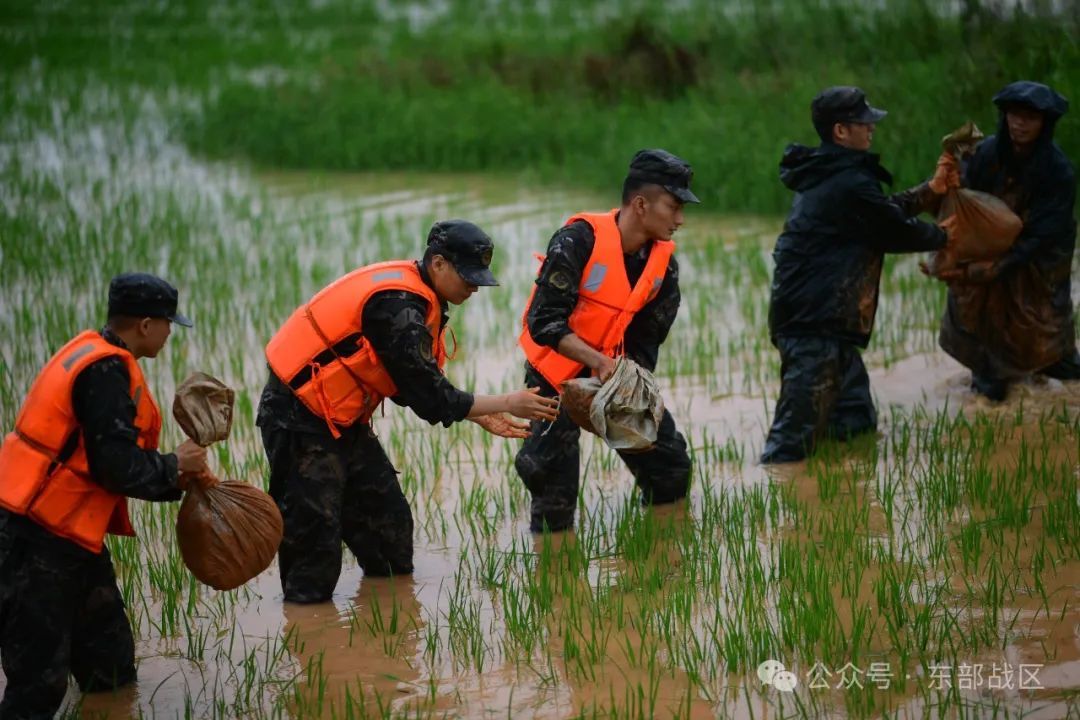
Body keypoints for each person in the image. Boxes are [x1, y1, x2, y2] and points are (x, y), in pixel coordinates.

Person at [257, 220, 559, 604]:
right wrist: (505, 402)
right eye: (468, 277)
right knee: (314, 543)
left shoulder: (417, 298)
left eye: (479, 279)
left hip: (343, 418)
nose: (474, 288)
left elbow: (408, 380)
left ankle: (386, 631)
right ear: (438, 264)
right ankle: (311, 639)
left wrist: (476, 413)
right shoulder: (397, 306)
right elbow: (430, 400)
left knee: (389, 533)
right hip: (298, 418)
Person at [0, 273, 209, 719]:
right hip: (33, 542)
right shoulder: (105, 371)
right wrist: (175, 466)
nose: (171, 333)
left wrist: (179, 481)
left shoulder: (98, 353)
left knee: (110, 666)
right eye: (169, 324)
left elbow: (108, 466)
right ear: (146, 325)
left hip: (71, 540)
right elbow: (114, 468)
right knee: (37, 686)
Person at [760, 86, 949, 464]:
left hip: (828, 328)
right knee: (791, 445)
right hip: (812, 328)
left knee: (855, 425)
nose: (871, 129)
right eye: (863, 123)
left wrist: (929, 192)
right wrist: (947, 237)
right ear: (840, 132)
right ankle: (776, 506)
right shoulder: (847, 181)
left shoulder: (832, 174)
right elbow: (890, 229)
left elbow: (877, 213)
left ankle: (845, 503)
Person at [515, 149, 696, 533]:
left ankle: (661, 551)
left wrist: (625, 386)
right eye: (673, 206)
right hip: (553, 378)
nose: (680, 219)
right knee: (552, 496)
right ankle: (556, 573)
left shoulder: (664, 268)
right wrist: (594, 360)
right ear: (641, 204)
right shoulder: (577, 241)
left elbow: (648, 341)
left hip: (614, 378)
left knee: (671, 470)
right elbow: (543, 322)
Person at [934, 81, 1078, 401]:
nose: (1019, 124)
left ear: (1045, 123)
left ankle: (1056, 360)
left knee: (1043, 319)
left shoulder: (1058, 171)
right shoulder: (986, 154)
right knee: (982, 312)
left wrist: (1003, 263)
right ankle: (989, 372)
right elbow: (965, 204)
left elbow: (1046, 231)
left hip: (1041, 252)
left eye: (1029, 117)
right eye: (1014, 115)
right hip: (990, 243)